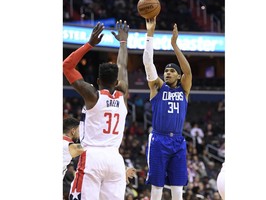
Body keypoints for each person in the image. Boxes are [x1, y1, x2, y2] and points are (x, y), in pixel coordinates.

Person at [63, 20, 130, 200]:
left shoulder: (93, 96)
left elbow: (67, 66)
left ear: (98, 81)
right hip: (115, 159)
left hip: (92, 157)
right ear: (117, 83)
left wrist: (90, 44)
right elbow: (122, 68)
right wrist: (123, 44)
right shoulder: (123, 96)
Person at [142, 17, 192, 200]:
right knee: (157, 186)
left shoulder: (184, 90)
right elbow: (148, 62)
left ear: (178, 76)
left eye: (172, 71)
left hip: (178, 141)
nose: (167, 72)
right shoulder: (157, 87)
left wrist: (174, 45)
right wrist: (150, 34)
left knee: (178, 188)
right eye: (166, 71)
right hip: (159, 139)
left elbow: (188, 72)